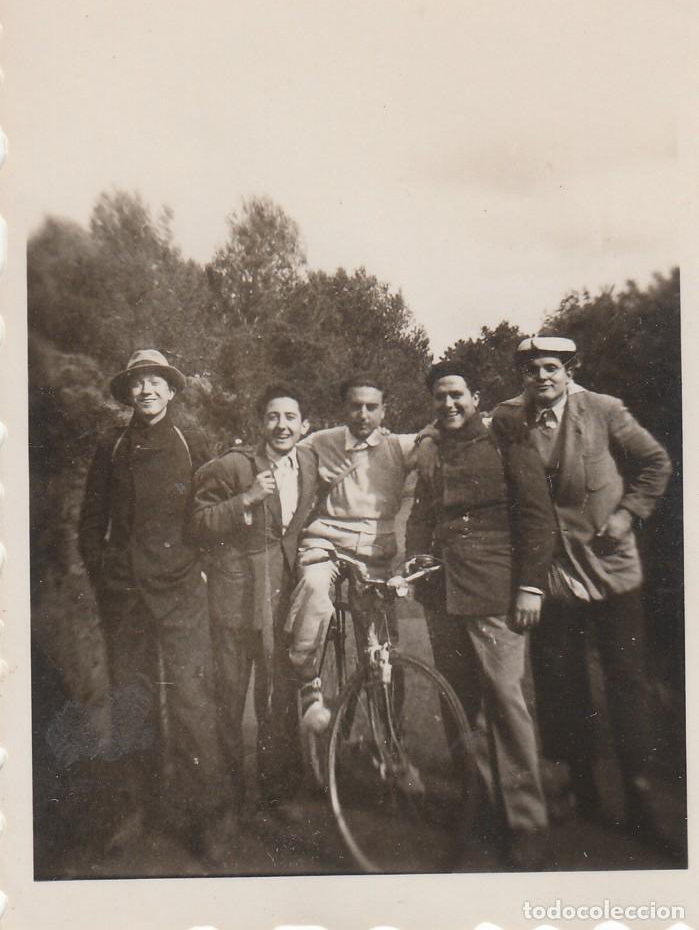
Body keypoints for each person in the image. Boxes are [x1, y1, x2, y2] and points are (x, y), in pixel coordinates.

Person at [493, 335, 673, 849]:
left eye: (551, 368)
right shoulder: (508, 418)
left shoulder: (604, 410)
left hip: (611, 567)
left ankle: (639, 795)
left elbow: (656, 462)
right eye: (531, 370)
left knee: (625, 681)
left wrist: (628, 514)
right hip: (553, 572)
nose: (541, 378)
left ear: (570, 370)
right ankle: (581, 786)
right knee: (560, 681)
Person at [78, 348, 231, 862]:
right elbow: (90, 522)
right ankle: (139, 810)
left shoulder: (192, 442)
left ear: (170, 390)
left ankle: (207, 818)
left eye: (155, 382)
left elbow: (208, 513)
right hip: (126, 593)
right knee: (132, 700)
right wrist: (105, 577)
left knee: (192, 702)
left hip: (181, 590)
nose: (146, 390)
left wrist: (202, 565)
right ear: (129, 393)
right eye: (137, 382)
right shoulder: (113, 445)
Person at [405, 360, 556, 870]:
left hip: (495, 591)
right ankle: (482, 808)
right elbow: (422, 513)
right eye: (440, 397)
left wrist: (531, 585)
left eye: (457, 395)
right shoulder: (431, 448)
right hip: (443, 592)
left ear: (475, 397)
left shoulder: (506, 438)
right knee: (458, 703)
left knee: (505, 704)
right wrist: (415, 560)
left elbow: (537, 515)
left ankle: (526, 822)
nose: (448, 404)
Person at [189, 383, 319, 817]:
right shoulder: (233, 465)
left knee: (278, 699)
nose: (282, 426)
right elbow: (197, 522)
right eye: (273, 417)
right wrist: (244, 500)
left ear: (305, 425)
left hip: (281, 601)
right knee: (228, 699)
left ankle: (277, 792)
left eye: (290, 417)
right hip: (235, 600)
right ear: (261, 423)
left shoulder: (309, 462)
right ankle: (226, 800)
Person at [285, 374, 419, 731]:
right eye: (355, 406)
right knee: (313, 587)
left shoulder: (399, 445)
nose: (363, 414)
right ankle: (307, 678)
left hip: (374, 548)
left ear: (384, 410)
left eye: (371, 407)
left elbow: (436, 438)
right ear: (344, 408)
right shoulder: (320, 441)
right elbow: (286, 448)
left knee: (381, 651)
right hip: (325, 540)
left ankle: (390, 739)